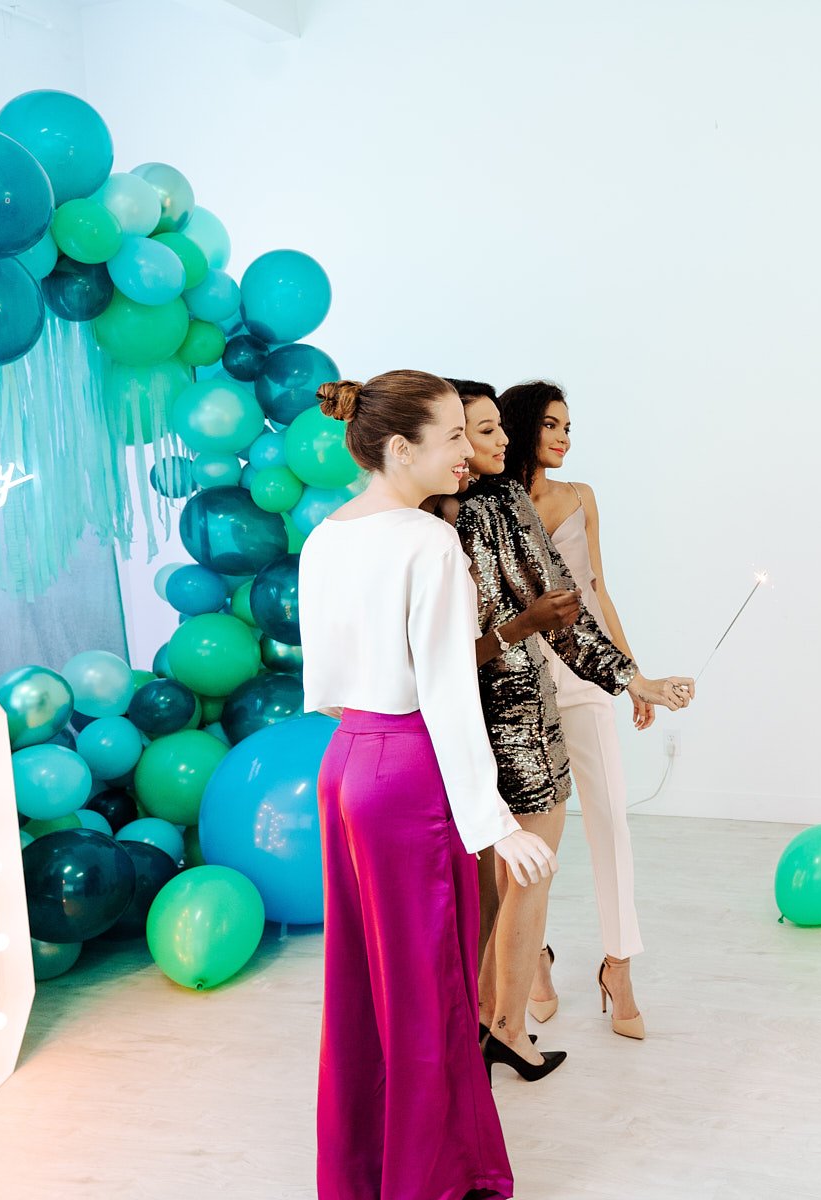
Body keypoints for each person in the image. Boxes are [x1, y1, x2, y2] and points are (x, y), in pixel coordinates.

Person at [299, 369, 555, 1200]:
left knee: (363, 988)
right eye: (452, 437)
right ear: (400, 448)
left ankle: (368, 1175)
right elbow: (447, 691)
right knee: (430, 989)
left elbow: (328, 685)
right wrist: (494, 822)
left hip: (343, 763)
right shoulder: (426, 541)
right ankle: (431, 1182)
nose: (470, 453)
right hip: (409, 771)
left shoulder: (325, 535)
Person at [441, 378, 694, 1080]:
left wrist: (632, 677)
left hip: (534, 705)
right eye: (480, 430)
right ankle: (494, 1016)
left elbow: (576, 602)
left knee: (543, 862)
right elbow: (432, 648)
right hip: (458, 721)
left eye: (497, 429)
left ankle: (531, 1009)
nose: (498, 441)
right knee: (488, 883)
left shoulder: (515, 504)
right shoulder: (425, 519)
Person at [498, 380, 649, 1039]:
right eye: (553, 425)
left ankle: (619, 964)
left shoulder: (582, 498)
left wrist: (634, 673)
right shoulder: (490, 505)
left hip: (585, 675)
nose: (565, 437)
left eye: (570, 426)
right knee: (525, 840)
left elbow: (599, 591)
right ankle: (532, 955)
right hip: (520, 685)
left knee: (610, 817)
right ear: (523, 428)